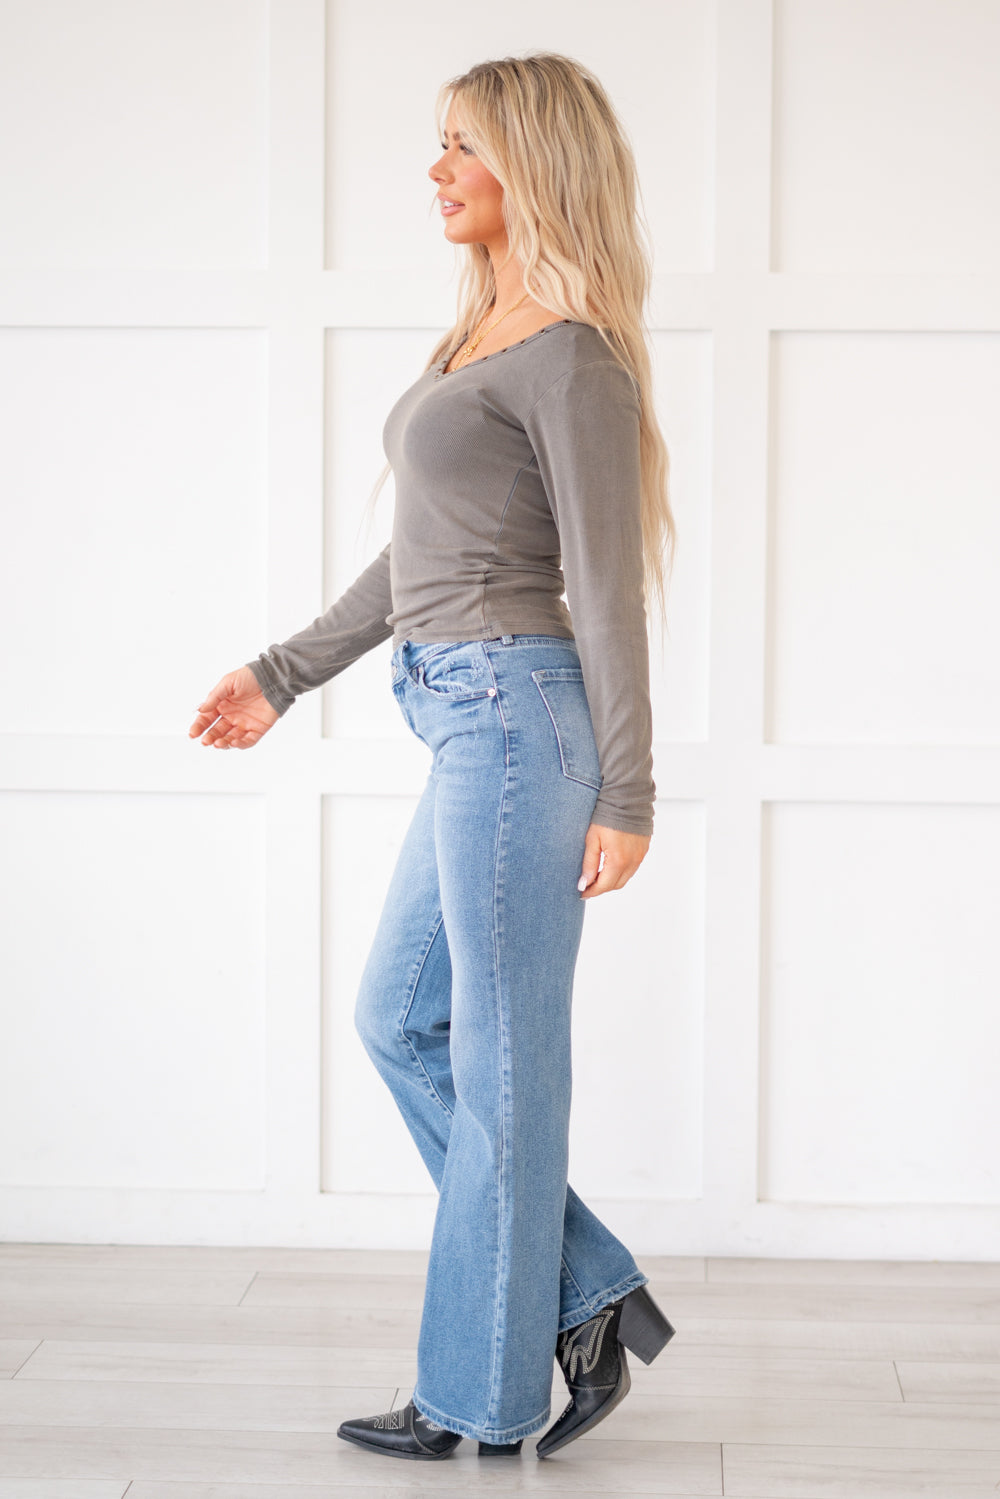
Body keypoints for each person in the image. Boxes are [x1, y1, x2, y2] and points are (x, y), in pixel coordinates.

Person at [189, 51, 677, 1463]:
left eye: (463, 144)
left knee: (506, 1059)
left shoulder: (572, 357)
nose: (437, 168)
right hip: (461, 711)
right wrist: (283, 672)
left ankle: (479, 1397)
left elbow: (608, 590)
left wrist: (632, 792)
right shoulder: (475, 341)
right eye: (439, 142)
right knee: (402, 1022)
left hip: (522, 717)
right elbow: (414, 561)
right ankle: (587, 1293)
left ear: (536, 160)